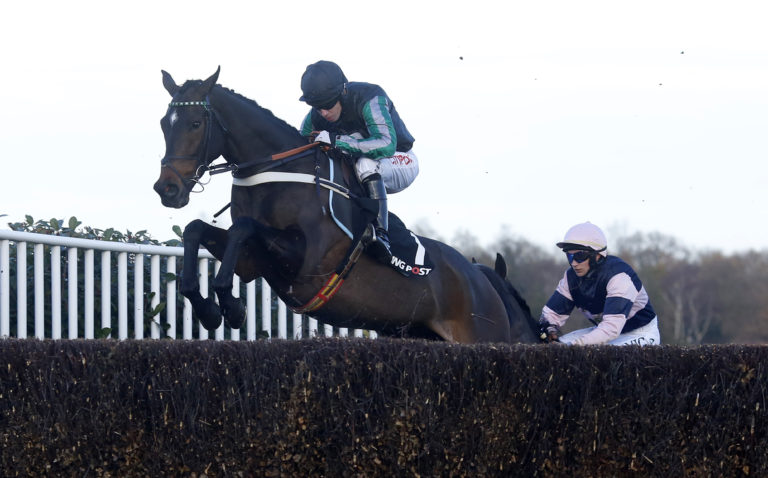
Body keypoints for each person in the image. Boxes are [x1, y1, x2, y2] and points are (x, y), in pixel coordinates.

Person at [298, 60, 419, 262]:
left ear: (342, 92)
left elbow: (386, 143)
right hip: (359, 170)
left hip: (399, 159)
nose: (323, 113)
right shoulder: (315, 116)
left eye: (327, 105)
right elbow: (300, 148)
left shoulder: (370, 97)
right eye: (317, 107)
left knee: (365, 163)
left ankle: (381, 236)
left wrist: (337, 141)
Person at [538, 222, 661, 346]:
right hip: (603, 331)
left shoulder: (619, 276)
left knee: (581, 353)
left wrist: (574, 346)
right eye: (569, 256)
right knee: (554, 348)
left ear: (597, 255)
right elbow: (550, 315)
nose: (574, 263)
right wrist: (549, 330)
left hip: (639, 333)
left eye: (580, 256)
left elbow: (611, 328)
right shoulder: (570, 278)